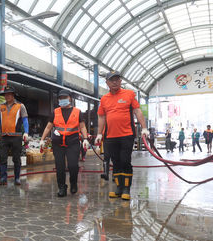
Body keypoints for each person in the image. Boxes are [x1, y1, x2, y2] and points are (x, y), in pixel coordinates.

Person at [95, 71, 147, 201]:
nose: (114, 82)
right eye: (112, 80)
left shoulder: (129, 94)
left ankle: (126, 189)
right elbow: (101, 117)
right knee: (116, 162)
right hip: (110, 136)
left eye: (117, 79)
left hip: (126, 134)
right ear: (107, 83)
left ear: (120, 81)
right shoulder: (104, 99)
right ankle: (118, 188)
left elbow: (137, 111)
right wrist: (99, 134)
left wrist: (144, 128)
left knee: (125, 160)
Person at [41, 90, 90, 196]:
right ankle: (62, 187)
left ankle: (73, 183)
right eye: (60, 98)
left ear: (70, 98)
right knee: (60, 166)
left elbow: (82, 126)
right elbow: (49, 126)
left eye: (65, 97)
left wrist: (85, 138)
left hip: (73, 143)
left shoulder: (77, 112)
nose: (62, 100)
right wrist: (42, 139)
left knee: (73, 165)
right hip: (58, 143)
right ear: (58, 99)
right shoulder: (55, 112)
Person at [0, 86, 29, 186]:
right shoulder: (1, 107)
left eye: (9, 94)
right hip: (4, 136)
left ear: (13, 95)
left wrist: (26, 132)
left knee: (16, 158)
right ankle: (3, 178)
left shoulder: (20, 106)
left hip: (16, 136)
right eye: (5, 94)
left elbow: (25, 120)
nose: (7, 96)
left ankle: (17, 178)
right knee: (2, 158)